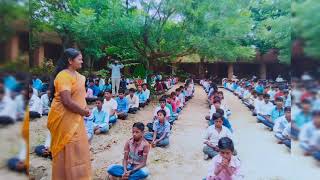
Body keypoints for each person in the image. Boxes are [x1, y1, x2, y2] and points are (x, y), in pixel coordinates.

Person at [47, 48, 91, 179]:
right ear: (70, 61)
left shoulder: (80, 77)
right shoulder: (63, 76)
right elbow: (66, 101)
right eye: (80, 59)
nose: (82, 61)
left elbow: (80, 97)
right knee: (67, 147)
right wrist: (83, 111)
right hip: (64, 119)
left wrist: (85, 109)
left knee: (79, 148)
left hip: (76, 118)